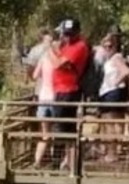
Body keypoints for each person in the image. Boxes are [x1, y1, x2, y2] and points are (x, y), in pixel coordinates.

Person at [49, 18, 90, 172]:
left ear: (77, 33)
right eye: (65, 34)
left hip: (68, 91)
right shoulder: (67, 45)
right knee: (62, 129)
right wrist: (58, 48)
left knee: (62, 129)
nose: (67, 37)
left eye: (70, 34)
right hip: (60, 90)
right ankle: (65, 163)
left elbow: (58, 63)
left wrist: (50, 49)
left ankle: (57, 164)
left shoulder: (79, 46)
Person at [97, 33, 129, 163]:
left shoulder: (116, 58)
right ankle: (114, 151)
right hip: (107, 93)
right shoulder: (108, 59)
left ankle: (112, 153)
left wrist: (115, 83)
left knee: (111, 123)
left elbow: (126, 71)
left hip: (112, 93)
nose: (107, 47)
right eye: (105, 45)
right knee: (110, 123)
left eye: (110, 45)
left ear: (115, 46)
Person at [32, 38, 57, 168]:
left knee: (44, 133)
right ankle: (53, 158)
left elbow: (35, 76)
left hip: (43, 97)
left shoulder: (43, 59)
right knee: (54, 130)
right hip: (54, 98)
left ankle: (38, 161)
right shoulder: (56, 60)